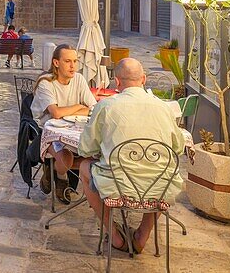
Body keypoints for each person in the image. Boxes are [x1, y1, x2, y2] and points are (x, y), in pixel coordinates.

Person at [79, 58, 186, 253]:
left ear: (117, 82)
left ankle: (115, 236)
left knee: (84, 167)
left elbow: (86, 149)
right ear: (144, 79)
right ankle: (142, 236)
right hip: (160, 188)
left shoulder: (106, 106)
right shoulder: (163, 108)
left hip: (118, 186)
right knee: (162, 175)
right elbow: (178, 148)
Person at [31, 44, 97, 204]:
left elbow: (94, 107)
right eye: (68, 61)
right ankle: (61, 178)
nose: (73, 66)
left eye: (75, 61)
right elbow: (56, 113)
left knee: (95, 157)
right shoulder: (46, 82)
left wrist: (77, 110)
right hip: (48, 132)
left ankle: (52, 170)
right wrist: (79, 107)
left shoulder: (79, 79)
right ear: (56, 63)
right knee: (66, 159)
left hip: (76, 130)